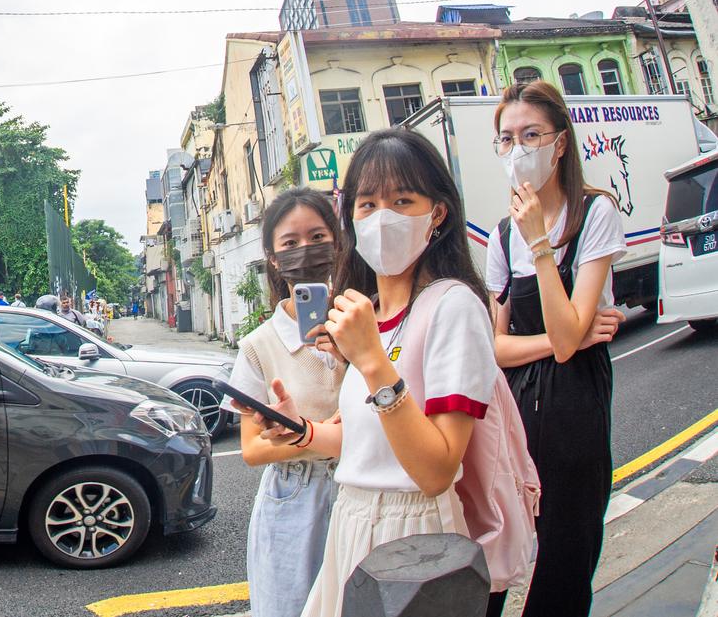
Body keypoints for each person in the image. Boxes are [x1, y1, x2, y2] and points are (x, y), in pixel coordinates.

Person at [248, 129, 501, 617]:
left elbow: (435, 470)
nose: (382, 217)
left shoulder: (452, 306)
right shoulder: (370, 315)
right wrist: (297, 429)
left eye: (402, 200)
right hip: (350, 521)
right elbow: (362, 446)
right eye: (366, 204)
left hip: (412, 535)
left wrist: (370, 362)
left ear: (438, 213)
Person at [486, 80, 625, 617]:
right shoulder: (500, 237)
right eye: (506, 139)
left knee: (568, 547)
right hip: (517, 406)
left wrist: (542, 242)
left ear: (559, 143)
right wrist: (559, 338)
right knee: (503, 536)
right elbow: (500, 347)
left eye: (531, 135)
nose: (517, 150)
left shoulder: (595, 213)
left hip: (574, 404)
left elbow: (572, 348)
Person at [220, 187, 345, 617]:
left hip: (360, 492)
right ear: (273, 258)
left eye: (317, 237)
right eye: (290, 244)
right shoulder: (259, 344)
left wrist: (348, 356)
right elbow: (253, 451)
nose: (304, 251)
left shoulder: (365, 321)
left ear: (337, 242)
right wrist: (320, 437)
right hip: (294, 498)